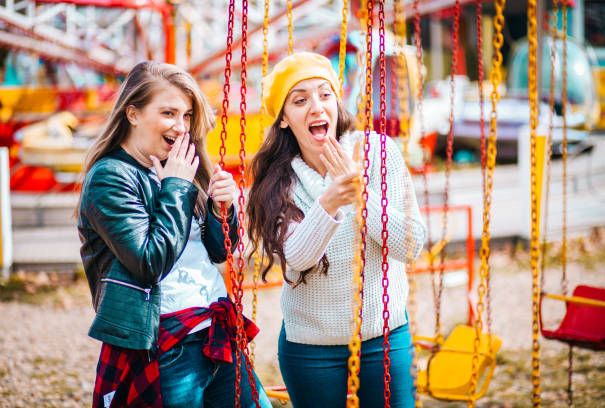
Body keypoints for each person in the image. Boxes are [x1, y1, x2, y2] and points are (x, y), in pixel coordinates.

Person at [77, 60, 272, 408]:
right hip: (164, 339)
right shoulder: (111, 177)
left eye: (186, 116)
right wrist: (177, 188)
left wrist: (219, 210)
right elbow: (149, 261)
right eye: (169, 113)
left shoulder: (177, 166)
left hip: (214, 326)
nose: (181, 127)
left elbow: (218, 252)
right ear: (132, 113)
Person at [246, 52, 426, 408]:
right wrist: (329, 202)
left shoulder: (379, 152)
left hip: (384, 337)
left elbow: (411, 244)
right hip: (311, 348)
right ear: (284, 118)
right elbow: (296, 260)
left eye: (324, 95)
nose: (316, 107)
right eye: (300, 100)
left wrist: (360, 193)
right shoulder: (277, 180)